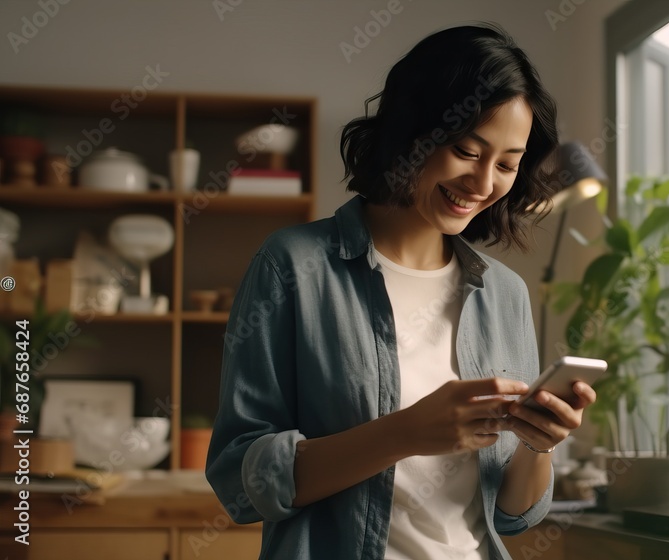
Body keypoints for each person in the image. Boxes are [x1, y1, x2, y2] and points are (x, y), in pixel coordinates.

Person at [206, 23, 598, 560]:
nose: (484, 184)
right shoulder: (292, 266)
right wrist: (407, 432)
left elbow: (512, 515)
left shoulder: (504, 293)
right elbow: (239, 479)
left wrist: (539, 441)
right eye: (467, 150)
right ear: (413, 131)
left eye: (507, 164)